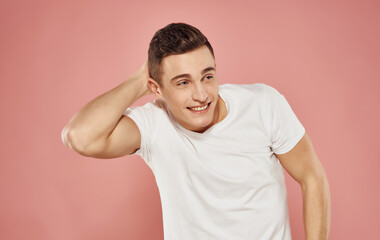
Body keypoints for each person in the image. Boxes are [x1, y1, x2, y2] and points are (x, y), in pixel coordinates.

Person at [62, 22, 330, 240]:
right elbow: (80, 137)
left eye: (208, 76)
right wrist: (138, 80)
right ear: (156, 88)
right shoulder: (154, 124)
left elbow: (312, 177)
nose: (201, 95)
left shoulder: (263, 104)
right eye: (182, 83)